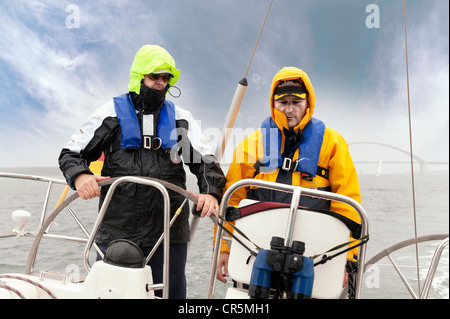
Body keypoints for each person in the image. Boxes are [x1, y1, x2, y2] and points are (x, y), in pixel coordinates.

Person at [59, 44, 226, 298]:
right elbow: (70, 154)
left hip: (169, 233)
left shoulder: (181, 119)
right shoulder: (110, 113)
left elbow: (205, 163)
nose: (160, 83)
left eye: (165, 78)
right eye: (154, 77)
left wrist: (211, 193)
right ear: (139, 77)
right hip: (117, 230)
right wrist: (81, 176)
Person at [216, 66, 361, 285]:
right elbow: (232, 201)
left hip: (316, 257)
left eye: (296, 102)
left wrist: (348, 257)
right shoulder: (249, 146)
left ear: (307, 103)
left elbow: (348, 203)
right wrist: (224, 248)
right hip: (255, 252)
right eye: (283, 103)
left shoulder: (332, 144)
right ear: (273, 105)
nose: (289, 109)